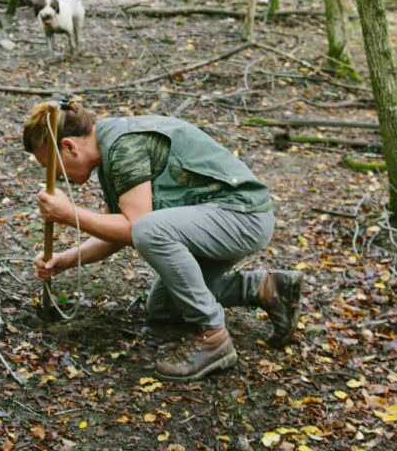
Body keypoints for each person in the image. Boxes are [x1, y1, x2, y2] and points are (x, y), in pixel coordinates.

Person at [23, 98, 301, 382]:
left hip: (242, 217)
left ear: (69, 146)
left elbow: (137, 229)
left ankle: (213, 336)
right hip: (222, 219)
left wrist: (70, 214)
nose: (55, 178)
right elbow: (117, 232)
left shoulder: (123, 146)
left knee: (148, 230)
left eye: (52, 168)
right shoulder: (109, 148)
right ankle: (266, 288)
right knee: (163, 307)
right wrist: (64, 261)